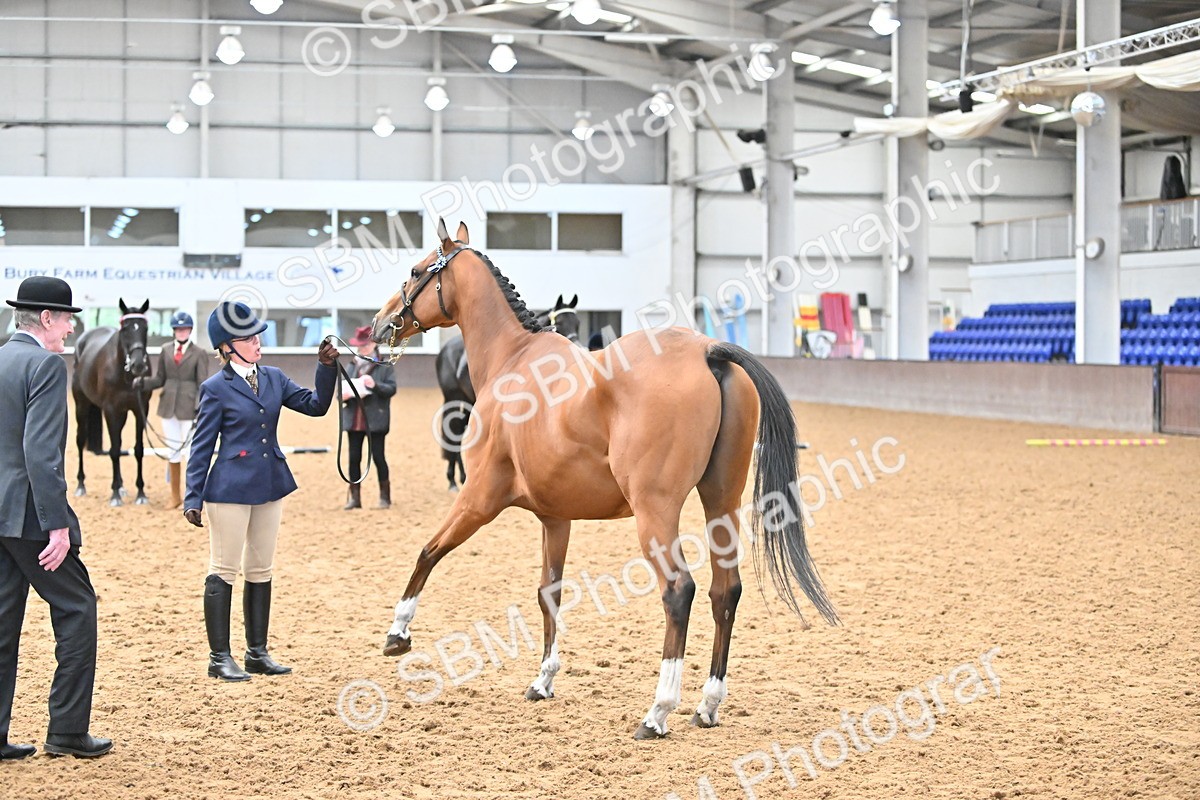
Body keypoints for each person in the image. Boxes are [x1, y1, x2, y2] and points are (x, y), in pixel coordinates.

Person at [183, 302, 338, 681]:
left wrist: (326, 367)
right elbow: (202, 445)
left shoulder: (273, 377)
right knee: (223, 569)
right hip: (229, 490)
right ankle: (219, 657)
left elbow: (315, 406)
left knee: (261, 569)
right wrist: (192, 496)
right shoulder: (216, 389)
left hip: (270, 484)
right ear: (227, 347)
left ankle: (257, 652)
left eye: (257, 336)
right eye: (248, 339)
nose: (257, 343)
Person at [0, 276, 112, 759]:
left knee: (3, 624)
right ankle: (66, 730)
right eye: (67, 320)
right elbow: (41, 453)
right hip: (29, 516)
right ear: (46, 319)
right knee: (77, 607)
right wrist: (58, 524)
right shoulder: (45, 365)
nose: (69, 330)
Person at [137, 311, 208, 508]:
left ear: (190, 330)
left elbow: (202, 383)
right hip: (168, 406)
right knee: (173, 451)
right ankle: (175, 496)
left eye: (185, 329)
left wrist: (199, 408)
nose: (182, 332)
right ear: (174, 331)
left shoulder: (199, 353)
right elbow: (160, 378)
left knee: (191, 453)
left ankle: (193, 496)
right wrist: (142, 383)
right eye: (178, 329)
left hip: (189, 406)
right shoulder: (165, 349)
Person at [341, 325, 396, 510]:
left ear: (373, 344)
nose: (361, 349)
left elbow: (391, 389)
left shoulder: (385, 365)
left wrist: (375, 385)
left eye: (365, 345)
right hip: (354, 419)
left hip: (375, 420)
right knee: (353, 458)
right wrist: (344, 394)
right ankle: (355, 498)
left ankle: (385, 497)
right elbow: (339, 391)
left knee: (378, 457)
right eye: (360, 345)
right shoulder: (351, 365)